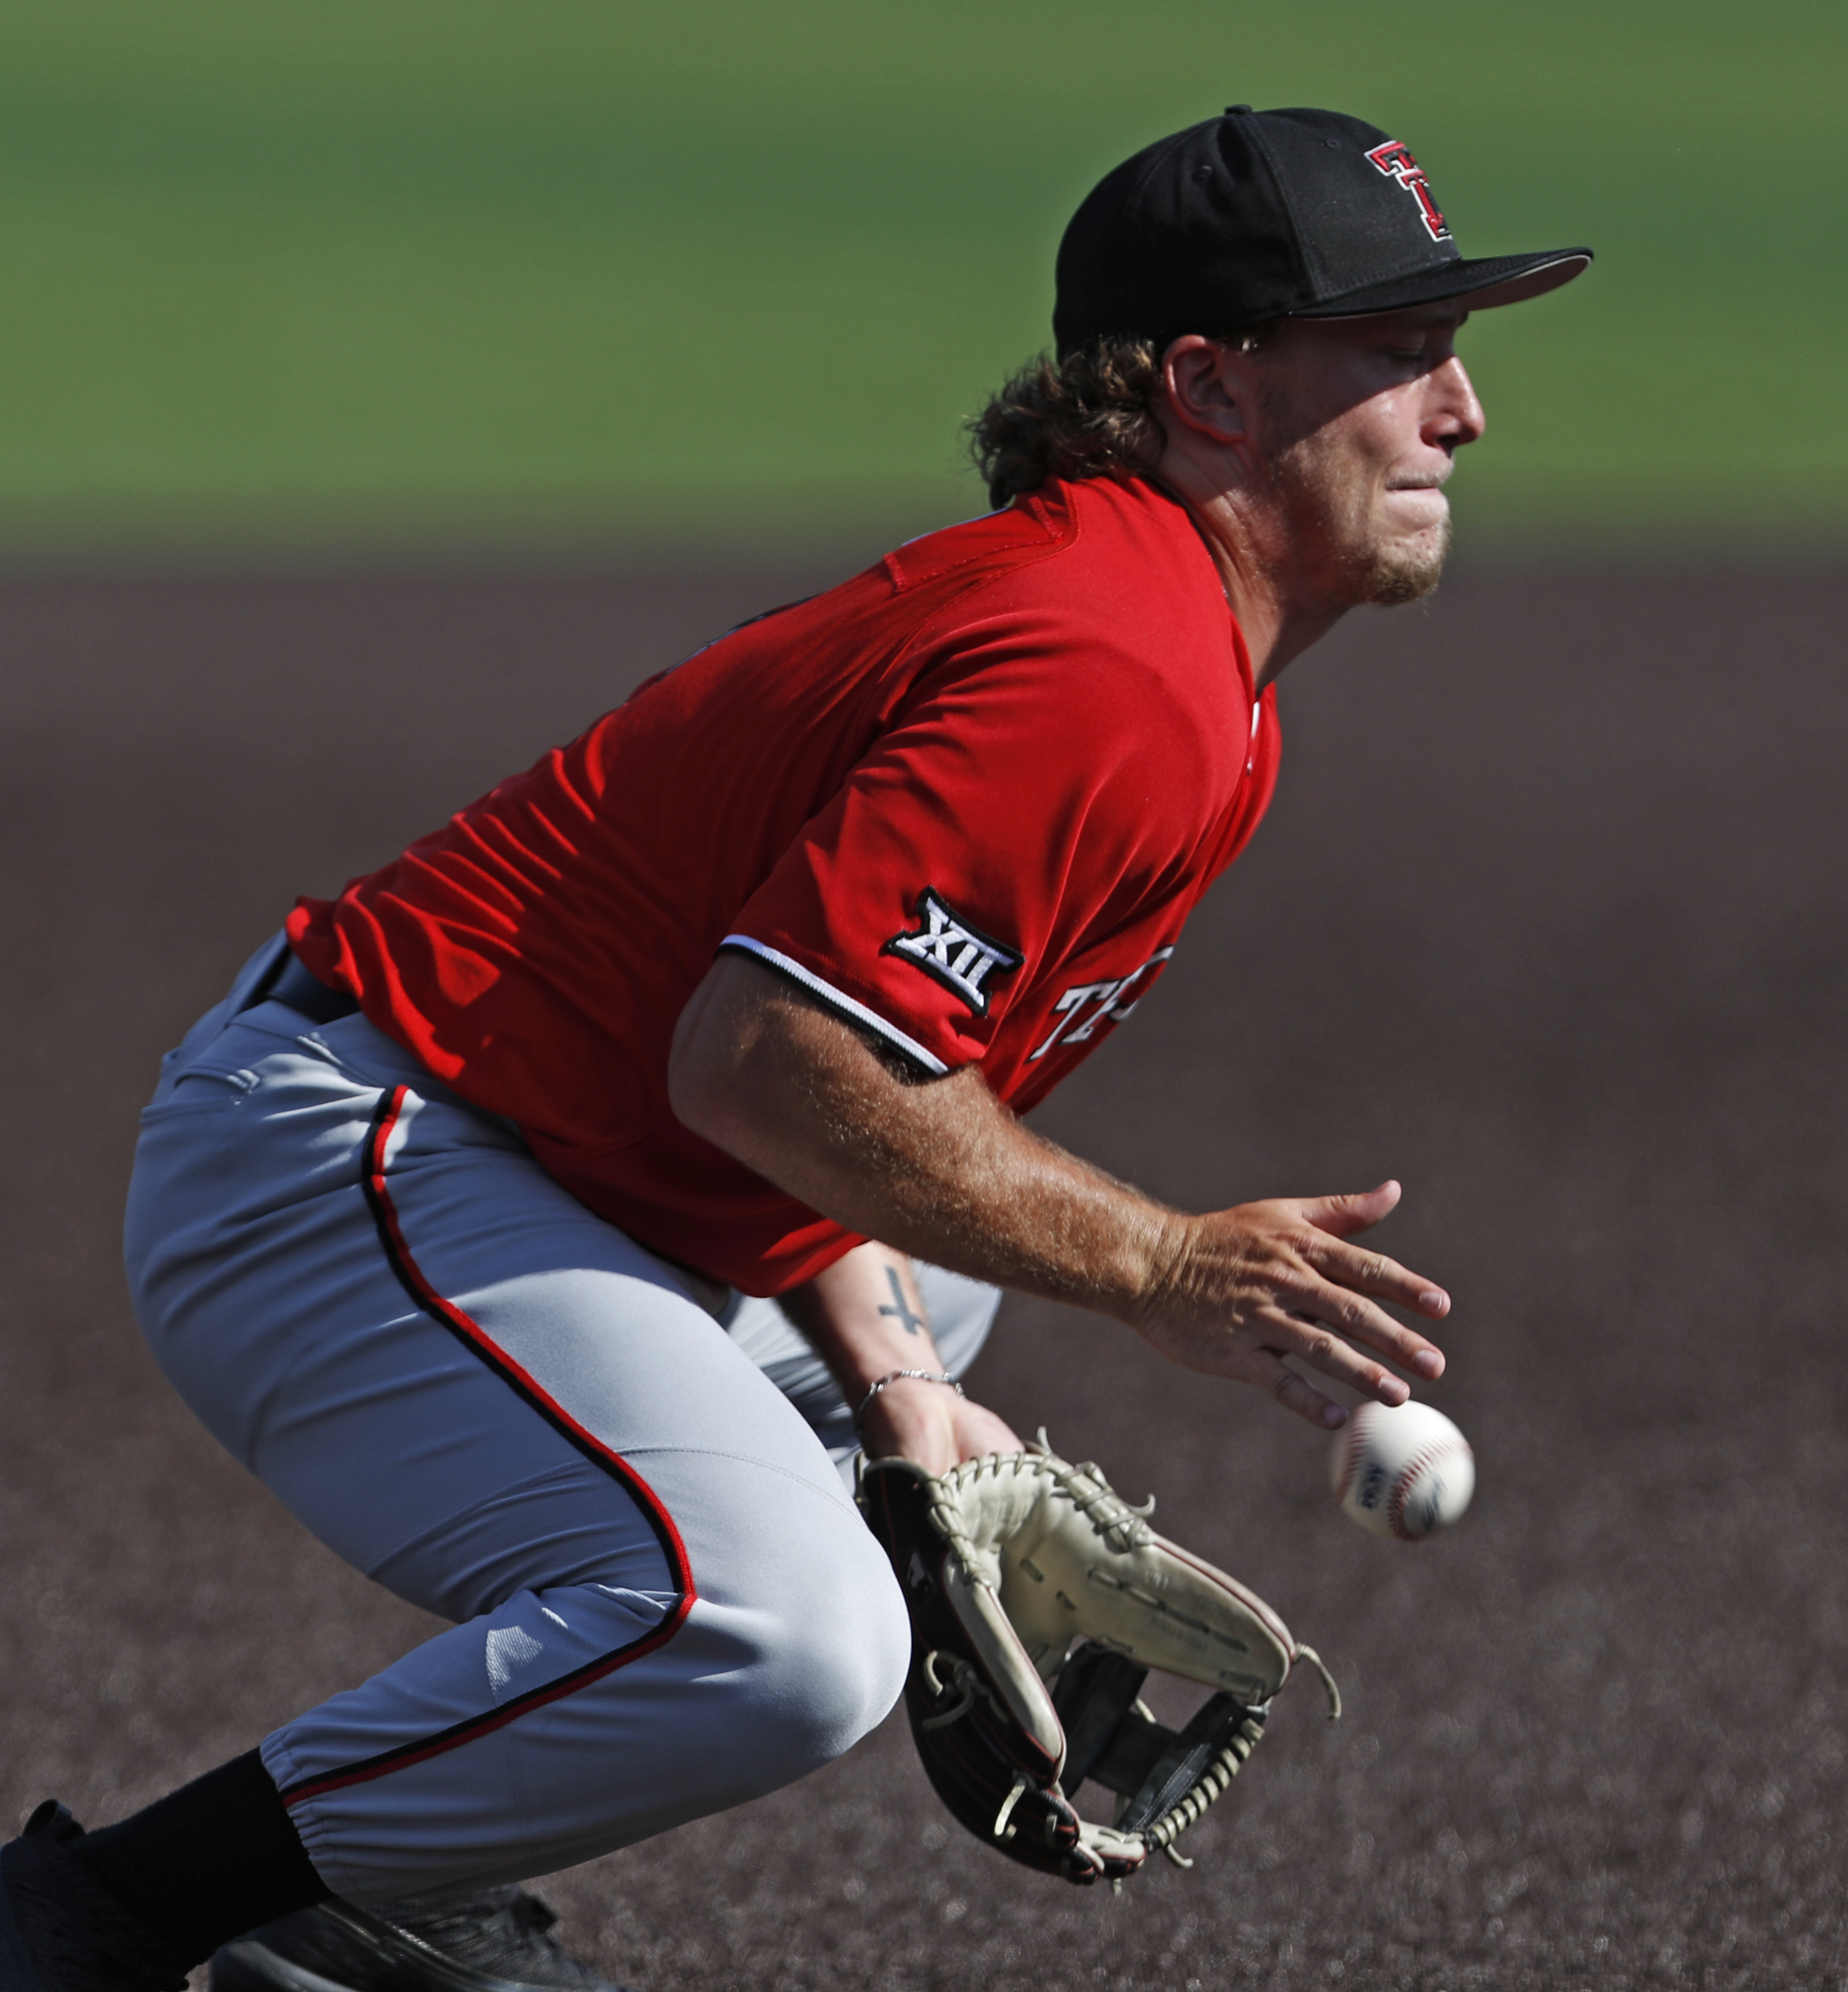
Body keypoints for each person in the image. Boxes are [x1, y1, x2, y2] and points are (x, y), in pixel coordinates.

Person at [0, 104, 1588, 1992]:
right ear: (1210, 389)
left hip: (520, 1165)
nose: (1460, 410)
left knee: (943, 1315)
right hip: (358, 1163)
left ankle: (370, 1874)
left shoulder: (1188, 669)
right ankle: (100, 1922)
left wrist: (901, 1395)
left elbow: (846, 1087)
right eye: (1400, 352)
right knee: (785, 1627)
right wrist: (1160, 1265)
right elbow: (767, 1065)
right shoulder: (1112, 661)